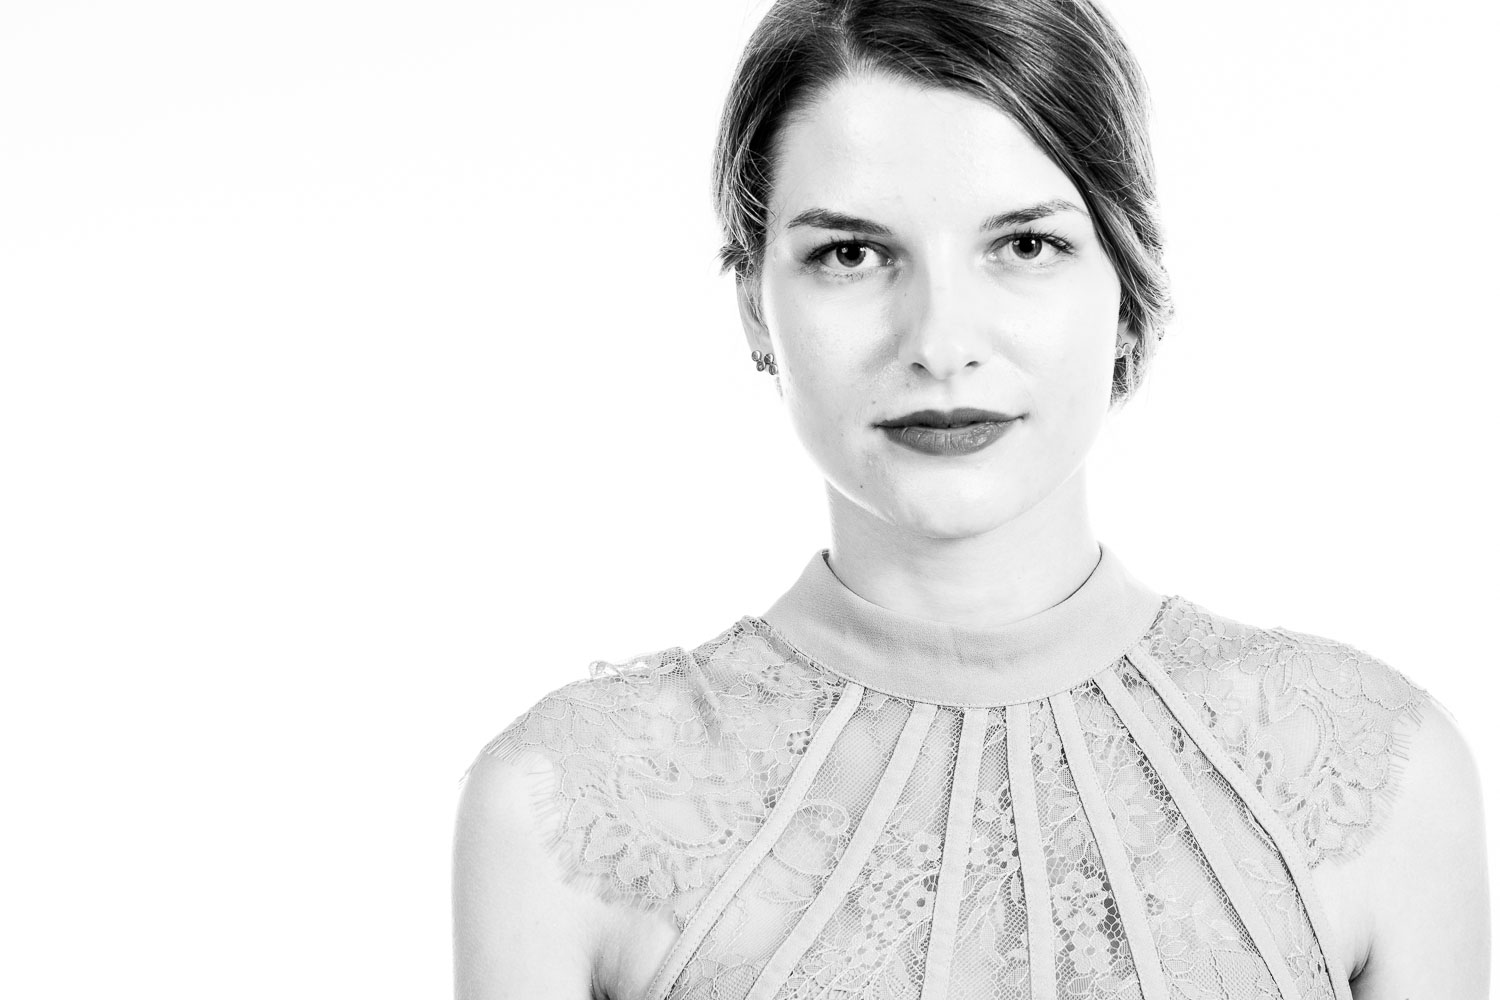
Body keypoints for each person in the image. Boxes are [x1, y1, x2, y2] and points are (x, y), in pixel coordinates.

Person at [452, 0, 1489, 996]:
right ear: (755, 306)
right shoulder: (559, 810)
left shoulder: (1379, 776)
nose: (941, 342)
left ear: (1127, 290)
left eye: (1025, 245)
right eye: (851, 254)